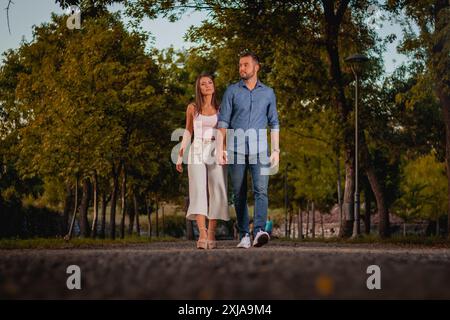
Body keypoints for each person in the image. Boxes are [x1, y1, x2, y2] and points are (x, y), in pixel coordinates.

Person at [217, 51, 280, 248]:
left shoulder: (268, 93)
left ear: (256, 67)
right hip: (236, 149)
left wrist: (276, 150)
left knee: (261, 190)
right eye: (240, 65)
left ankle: (259, 230)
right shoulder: (232, 91)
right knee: (239, 193)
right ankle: (244, 234)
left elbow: (274, 123)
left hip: (260, 149)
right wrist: (221, 148)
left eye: (245, 64)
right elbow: (223, 123)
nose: (241, 68)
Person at [176, 73, 229, 249]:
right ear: (199, 88)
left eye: (210, 82)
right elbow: (188, 131)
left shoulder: (221, 109)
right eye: (203, 84)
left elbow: (223, 132)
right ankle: (202, 233)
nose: (207, 85)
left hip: (215, 148)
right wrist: (180, 154)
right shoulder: (192, 108)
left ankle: (212, 232)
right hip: (197, 148)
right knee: (198, 189)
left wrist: (223, 152)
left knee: (217, 189)